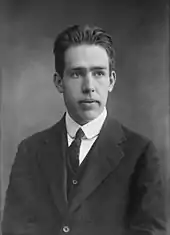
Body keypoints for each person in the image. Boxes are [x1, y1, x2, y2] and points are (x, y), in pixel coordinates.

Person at [2, 25, 166, 235]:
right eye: (77, 74)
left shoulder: (140, 153)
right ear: (59, 82)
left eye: (98, 73)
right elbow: (14, 229)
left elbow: (150, 231)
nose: (89, 86)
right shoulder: (30, 150)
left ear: (111, 81)